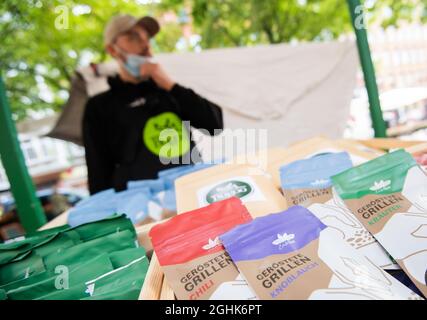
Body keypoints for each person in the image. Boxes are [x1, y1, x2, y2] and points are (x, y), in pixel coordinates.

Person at [83, 15, 224, 194]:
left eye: (146, 38)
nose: (144, 45)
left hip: (192, 192)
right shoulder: (100, 107)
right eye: (133, 37)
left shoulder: (168, 92)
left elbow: (215, 126)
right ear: (112, 50)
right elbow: (98, 172)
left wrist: (171, 86)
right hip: (143, 207)